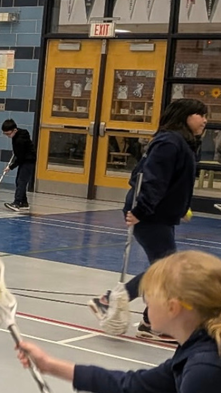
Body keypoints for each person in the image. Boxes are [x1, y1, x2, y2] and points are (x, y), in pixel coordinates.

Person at [20, 251, 221, 393]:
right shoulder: (198, 349)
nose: (145, 300)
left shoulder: (206, 371)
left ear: (173, 307)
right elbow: (132, 385)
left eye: (148, 293)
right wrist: (49, 365)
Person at [89, 98, 207, 342]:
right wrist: (141, 209)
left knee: (163, 269)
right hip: (149, 215)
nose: (205, 120)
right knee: (166, 270)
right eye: (200, 115)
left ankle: (148, 320)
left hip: (162, 215)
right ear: (185, 116)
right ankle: (121, 306)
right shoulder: (169, 143)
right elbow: (150, 179)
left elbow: (173, 181)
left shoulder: (181, 143)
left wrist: (180, 206)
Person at [0, 119, 36, 211]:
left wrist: (10, 167)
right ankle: (24, 203)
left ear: (15, 130)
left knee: (21, 181)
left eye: (8, 134)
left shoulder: (19, 140)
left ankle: (16, 203)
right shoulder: (20, 133)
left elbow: (20, 158)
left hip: (28, 160)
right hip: (24, 159)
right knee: (19, 181)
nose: (8, 136)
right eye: (5, 134)